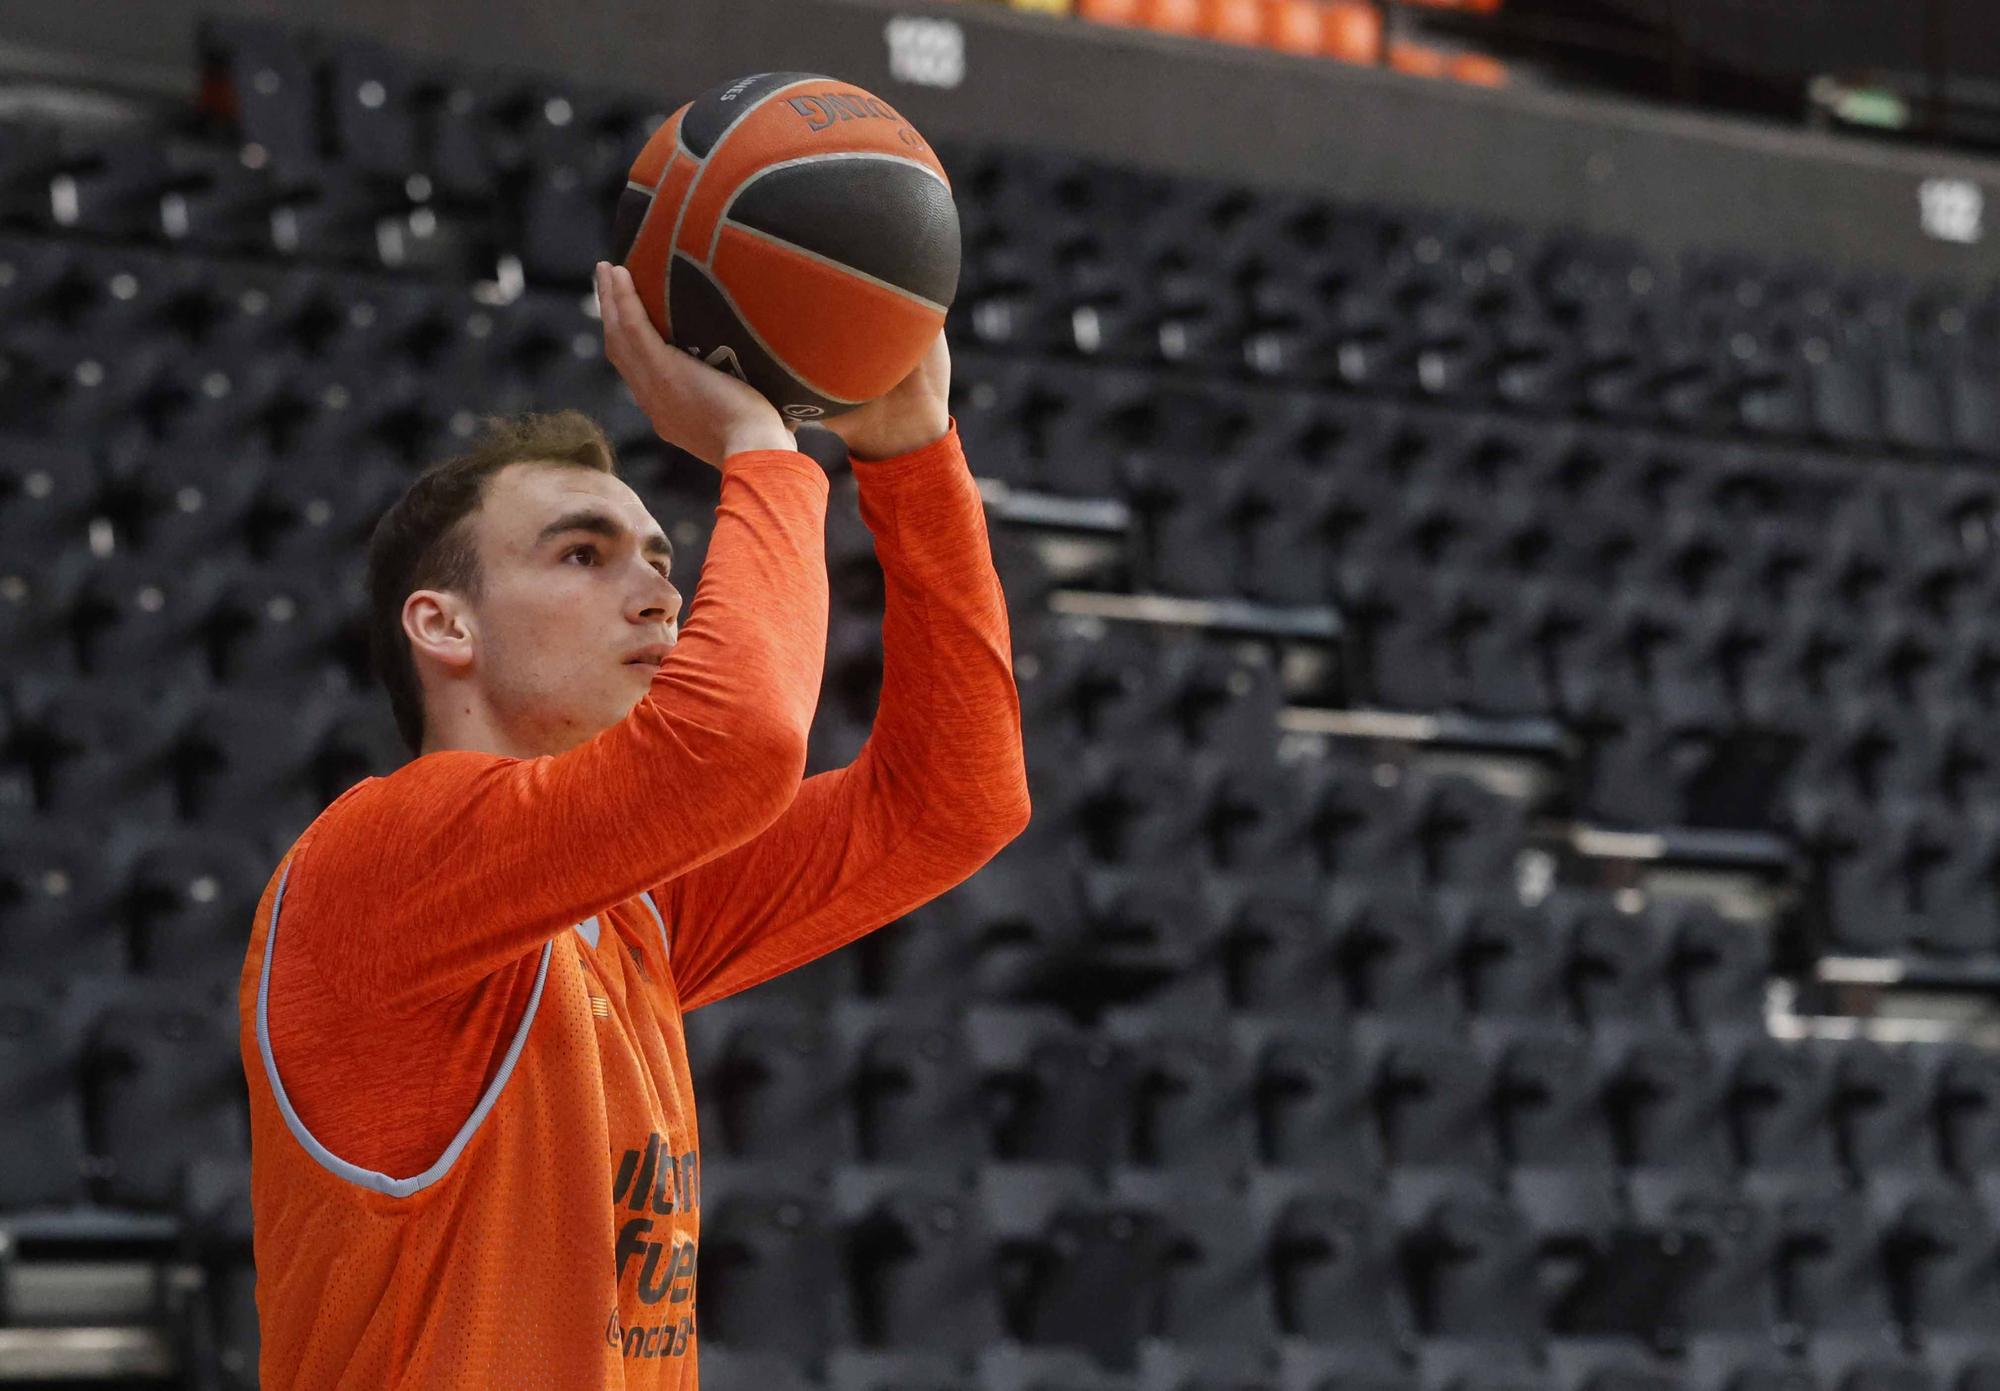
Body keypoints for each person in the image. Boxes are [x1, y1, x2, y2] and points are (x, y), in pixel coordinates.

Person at [236, 260, 1031, 1386]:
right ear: (442, 624)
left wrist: (910, 454)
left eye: (662, 557)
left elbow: (956, 798)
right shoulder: (382, 854)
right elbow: (741, 745)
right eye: (581, 554)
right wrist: (765, 453)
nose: (660, 593)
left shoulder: (627, 908)